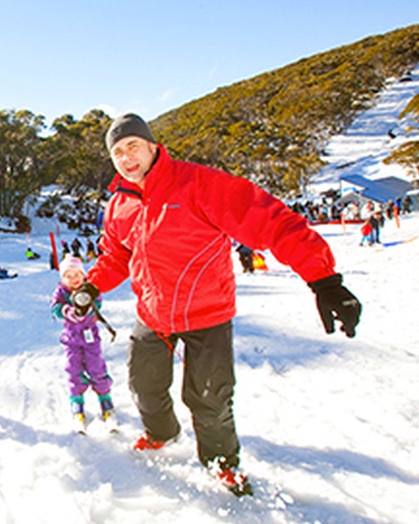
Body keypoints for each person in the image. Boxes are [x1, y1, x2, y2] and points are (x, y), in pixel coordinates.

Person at [86, 113, 361, 496]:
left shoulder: (199, 184)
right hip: (153, 312)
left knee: (210, 398)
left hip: (207, 313)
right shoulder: (119, 204)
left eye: (132, 146)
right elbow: (116, 255)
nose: (126, 157)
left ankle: (221, 462)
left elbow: (273, 222)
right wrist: (89, 287)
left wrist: (324, 280)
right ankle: (161, 432)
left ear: (152, 145)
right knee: (143, 384)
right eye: (117, 152)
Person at [50, 256, 116, 430]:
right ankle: (77, 401)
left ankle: (105, 399)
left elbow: (98, 302)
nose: (73, 279)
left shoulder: (89, 289)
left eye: (77, 274)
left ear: (83, 274)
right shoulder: (62, 292)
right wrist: (67, 311)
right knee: (73, 368)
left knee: (96, 367)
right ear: (62, 278)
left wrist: (87, 309)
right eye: (68, 275)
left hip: (90, 337)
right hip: (72, 338)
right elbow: (55, 307)